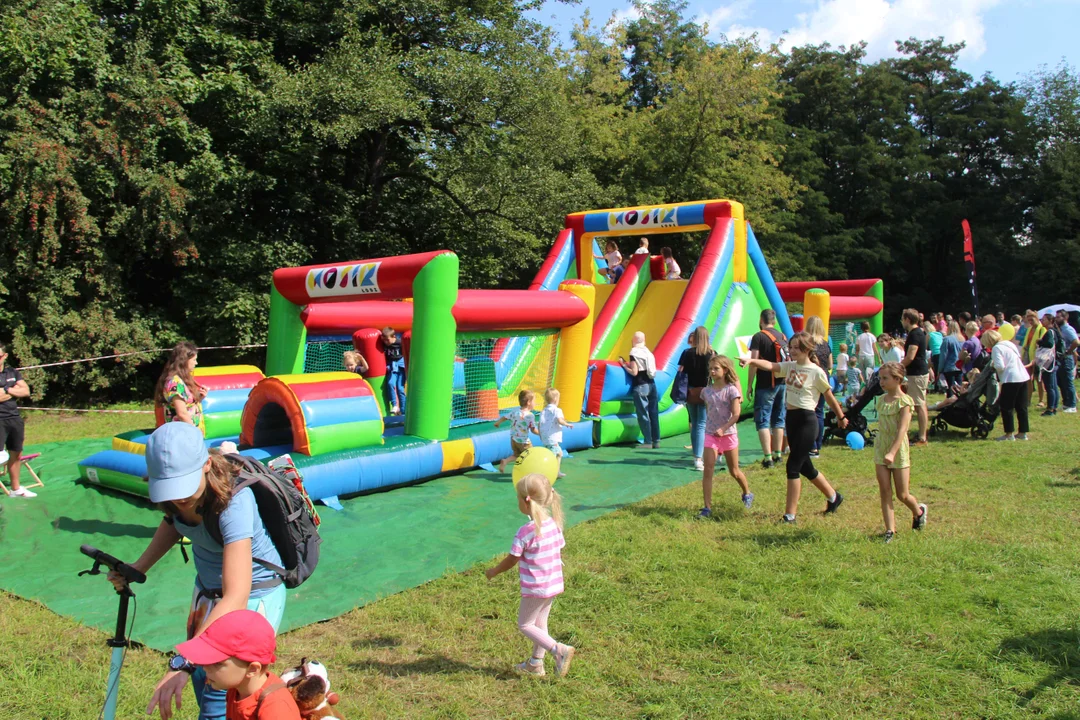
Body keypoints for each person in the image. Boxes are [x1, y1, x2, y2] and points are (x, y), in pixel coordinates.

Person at [108, 423, 287, 720]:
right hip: (207, 592)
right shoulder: (177, 498)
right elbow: (173, 523)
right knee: (205, 679)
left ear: (206, 464)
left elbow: (236, 597)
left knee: (225, 685)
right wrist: (137, 568)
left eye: (183, 486)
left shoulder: (234, 502)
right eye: (169, 488)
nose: (178, 498)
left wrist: (184, 660)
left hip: (252, 595)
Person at [741, 332, 848, 524]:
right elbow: (771, 365)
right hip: (792, 419)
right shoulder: (790, 367)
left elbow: (829, 397)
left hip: (808, 421)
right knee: (806, 467)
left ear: (807, 349)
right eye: (790, 347)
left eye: (796, 348)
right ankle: (834, 497)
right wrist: (751, 361)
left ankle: (790, 516)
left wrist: (841, 417)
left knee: (793, 466)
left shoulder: (816, 371)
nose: (792, 351)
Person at [485, 472, 575, 677]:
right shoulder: (553, 525)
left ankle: (558, 650)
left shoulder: (526, 531)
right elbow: (560, 546)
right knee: (540, 623)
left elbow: (512, 558)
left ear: (526, 502)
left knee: (525, 624)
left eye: (517, 497)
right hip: (553, 584)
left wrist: (494, 571)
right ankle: (535, 664)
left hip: (536, 588)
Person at [174, 610, 301, 719]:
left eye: (217, 663)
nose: (205, 667)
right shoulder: (236, 689)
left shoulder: (275, 708)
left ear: (252, 669)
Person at [872, 361, 927, 543]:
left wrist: (892, 453)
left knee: (902, 494)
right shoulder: (880, 400)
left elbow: (902, 430)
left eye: (885, 378)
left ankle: (918, 512)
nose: (882, 382)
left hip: (898, 450)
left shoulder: (905, 402)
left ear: (897, 379)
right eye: (880, 378)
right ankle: (890, 530)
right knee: (885, 491)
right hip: (881, 448)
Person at [697, 355, 753, 519]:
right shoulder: (706, 392)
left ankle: (747, 493)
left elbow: (736, 415)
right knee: (708, 470)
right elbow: (709, 410)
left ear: (725, 370)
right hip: (710, 435)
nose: (712, 372)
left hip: (728, 435)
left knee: (734, 471)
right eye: (711, 369)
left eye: (716, 369)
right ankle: (707, 507)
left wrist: (723, 428)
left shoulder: (731, 390)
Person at [748, 309, 788, 469]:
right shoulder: (782, 336)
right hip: (782, 382)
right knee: (779, 419)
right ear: (775, 320)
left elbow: (754, 361)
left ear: (761, 320)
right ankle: (778, 454)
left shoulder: (758, 337)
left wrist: (750, 384)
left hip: (765, 384)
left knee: (763, 420)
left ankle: (768, 457)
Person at [677, 327, 715, 471]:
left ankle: (696, 456)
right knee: (702, 423)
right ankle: (699, 458)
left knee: (694, 422)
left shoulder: (687, 353)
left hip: (690, 391)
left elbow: (681, 372)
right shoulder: (712, 353)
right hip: (706, 391)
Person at [982, 330, 1030, 441]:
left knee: (1007, 407)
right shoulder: (1009, 344)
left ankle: (1009, 434)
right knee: (1021, 406)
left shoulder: (996, 348)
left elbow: (1000, 366)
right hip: (1023, 376)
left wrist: (993, 365)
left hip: (1011, 379)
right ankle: (1023, 433)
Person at [0, 342, 33, 497]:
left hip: (14, 417)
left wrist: (7, 390)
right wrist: (14, 391)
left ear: (4, 356)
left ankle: (15, 489)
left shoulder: (12, 372)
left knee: (16, 453)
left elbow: (26, 391)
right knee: (0, 456)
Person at [620, 332, 660, 448]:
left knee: (643, 414)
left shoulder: (634, 352)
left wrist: (624, 365)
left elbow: (634, 372)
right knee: (653, 413)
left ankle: (648, 441)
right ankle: (656, 440)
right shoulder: (649, 352)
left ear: (633, 340)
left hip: (641, 385)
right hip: (652, 384)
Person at [157, 341, 207, 432]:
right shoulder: (175, 382)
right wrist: (194, 432)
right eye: (194, 360)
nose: (196, 363)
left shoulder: (183, 379)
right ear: (184, 361)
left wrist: (199, 398)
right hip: (182, 434)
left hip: (187, 432)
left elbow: (187, 405)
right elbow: (182, 413)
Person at [900, 309, 930, 446]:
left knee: (919, 404)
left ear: (907, 319)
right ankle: (920, 435)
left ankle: (922, 437)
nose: (901, 321)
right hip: (917, 372)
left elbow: (911, 356)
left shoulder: (915, 334)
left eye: (902, 318)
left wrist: (898, 367)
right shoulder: (917, 333)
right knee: (918, 403)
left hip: (917, 373)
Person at [804, 315, 832, 457]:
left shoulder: (807, 344)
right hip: (824, 378)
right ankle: (818, 444)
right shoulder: (826, 344)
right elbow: (830, 364)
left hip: (810, 379)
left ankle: (811, 445)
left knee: (810, 412)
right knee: (819, 412)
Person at [495, 390, 540, 473]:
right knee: (531, 455)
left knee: (517, 455)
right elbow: (533, 430)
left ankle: (506, 461)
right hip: (523, 442)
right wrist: (541, 434)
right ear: (529, 402)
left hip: (513, 439)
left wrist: (498, 422)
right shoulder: (530, 415)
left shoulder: (515, 410)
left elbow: (505, 417)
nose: (535, 403)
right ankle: (532, 472)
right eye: (534, 401)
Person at [539, 388, 573, 478]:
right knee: (555, 454)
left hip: (545, 437)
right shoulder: (557, 410)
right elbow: (559, 420)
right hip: (552, 438)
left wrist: (541, 435)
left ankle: (555, 472)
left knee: (558, 453)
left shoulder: (543, 411)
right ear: (555, 399)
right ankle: (549, 472)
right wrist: (567, 424)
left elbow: (540, 423)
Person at [1037, 313, 1061, 416]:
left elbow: (1050, 344)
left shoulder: (1050, 332)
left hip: (1049, 362)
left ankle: (1050, 409)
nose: (1042, 321)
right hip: (1054, 361)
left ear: (1050, 321)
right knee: (1054, 386)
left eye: (1044, 319)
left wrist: (1040, 342)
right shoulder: (1055, 331)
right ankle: (1054, 407)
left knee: (1049, 386)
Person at [1021, 311, 1046, 407]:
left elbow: (1041, 344)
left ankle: (1041, 400)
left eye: (1032, 319)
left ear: (1037, 318)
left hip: (1037, 356)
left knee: (1038, 378)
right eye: (1029, 319)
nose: (1030, 321)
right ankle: (1028, 399)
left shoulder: (1042, 329)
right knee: (1027, 378)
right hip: (1027, 354)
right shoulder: (1029, 329)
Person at [1055, 312, 1078, 413]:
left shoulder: (1068, 329)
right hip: (1060, 358)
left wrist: (1068, 351)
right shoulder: (1060, 329)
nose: (1056, 318)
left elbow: (1076, 341)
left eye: (1059, 317)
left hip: (1067, 358)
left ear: (1065, 318)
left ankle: (1072, 405)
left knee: (1068, 382)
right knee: (1061, 381)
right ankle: (1066, 403)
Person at [381, 327, 406, 415]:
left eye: (387, 340)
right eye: (384, 340)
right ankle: (395, 405)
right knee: (390, 383)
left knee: (400, 388)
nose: (386, 342)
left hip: (401, 366)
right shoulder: (384, 344)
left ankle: (403, 411)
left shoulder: (400, 343)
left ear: (394, 337)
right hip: (392, 367)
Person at [938, 321, 964, 397]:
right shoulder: (962, 339)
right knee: (959, 388)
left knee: (950, 388)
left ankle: (950, 405)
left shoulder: (947, 339)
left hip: (949, 367)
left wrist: (940, 369)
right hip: (960, 367)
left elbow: (943, 355)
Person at [926, 321, 943, 389]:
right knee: (940, 370)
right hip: (941, 352)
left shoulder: (928, 335)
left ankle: (936, 387)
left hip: (935, 353)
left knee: (935, 370)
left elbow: (925, 346)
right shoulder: (939, 334)